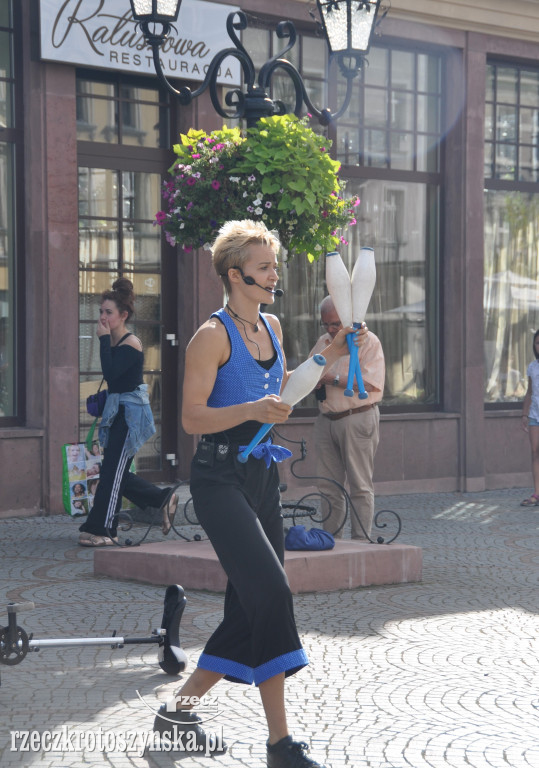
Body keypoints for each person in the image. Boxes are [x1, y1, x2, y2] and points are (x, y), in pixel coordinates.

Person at [152, 221, 362, 767]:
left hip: (261, 477)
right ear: (235, 274)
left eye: (274, 265)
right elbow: (190, 417)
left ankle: (180, 714)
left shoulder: (270, 326)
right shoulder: (210, 336)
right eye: (266, 267)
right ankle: (280, 744)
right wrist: (249, 410)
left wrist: (330, 351)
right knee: (271, 592)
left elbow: (286, 389)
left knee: (251, 604)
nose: (275, 275)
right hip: (218, 480)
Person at [78, 277, 179, 546]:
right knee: (114, 470)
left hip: (130, 416)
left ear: (123, 315)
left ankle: (107, 530)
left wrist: (101, 341)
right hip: (117, 413)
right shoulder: (113, 340)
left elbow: (111, 373)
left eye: (108, 312)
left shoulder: (130, 342)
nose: (102, 317)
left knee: (113, 472)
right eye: (101, 311)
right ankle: (162, 499)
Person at [309, 296, 385, 540]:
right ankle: (330, 540)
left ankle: (361, 542)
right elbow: (310, 371)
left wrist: (330, 378)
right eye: (326, 324)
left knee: (360, 486)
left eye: (335, 324)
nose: (331, 330)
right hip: (327, 418)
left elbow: (372, 384)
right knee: (328, 487)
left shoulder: (368, 342)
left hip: (357, 417)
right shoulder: (324, 341)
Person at [520, 329, 539, 506]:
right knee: (535, 452)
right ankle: (537, 492)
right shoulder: (532, 367)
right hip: (535, 415)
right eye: (537, 343)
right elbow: (529, 392)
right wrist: (524, 414)